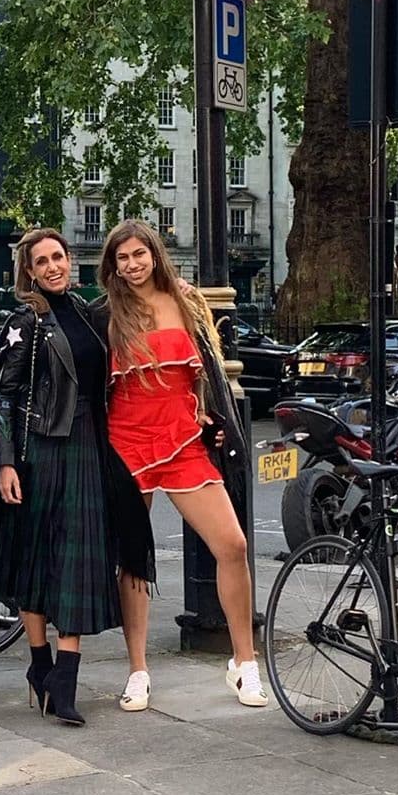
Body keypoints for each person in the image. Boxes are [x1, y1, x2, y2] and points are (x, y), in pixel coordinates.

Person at [96, 219, 267, 711]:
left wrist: (215, 418)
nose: (131, 265)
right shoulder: (107, 312)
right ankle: (137, 670)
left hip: (184, 438)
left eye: (138, 254)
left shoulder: (189, 302)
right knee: (133, 559)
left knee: (232, 545)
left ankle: (244, 662)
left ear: (155, 253)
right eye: (122, 258)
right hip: (126, 441)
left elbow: (209, 372)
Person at [0, 229, 154, 726]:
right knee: (38, 558)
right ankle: (41, 663)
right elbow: (3, 394)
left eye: (58, 257)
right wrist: (4, 462)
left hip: (90, 445)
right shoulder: (26, 321)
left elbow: (137, 304)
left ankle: (65, 677)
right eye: (41, 262)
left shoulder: (87, 312)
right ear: (30, 273)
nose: (53, 267)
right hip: (41, 447)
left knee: (78, 561)